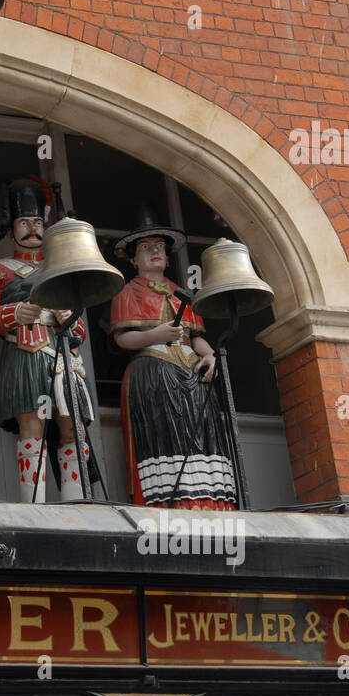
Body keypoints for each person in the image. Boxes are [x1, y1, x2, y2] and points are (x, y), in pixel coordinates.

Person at [108, 207, 236, 510]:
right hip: (155, 372)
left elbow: (195, 336)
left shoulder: (180, 293)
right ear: (133, 258)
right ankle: (172, 499)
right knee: (165, 436)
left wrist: (209, 356)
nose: (154, 252)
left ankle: (207, 499)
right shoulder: (127, 293)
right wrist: (156, 335)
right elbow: (122, 339)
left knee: (200, 433)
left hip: (190, 373)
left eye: (159, 247)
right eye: (145, 248)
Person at [0, 179, 93, 503]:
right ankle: (33, 506)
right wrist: (16, 313)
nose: (32, 229)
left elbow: (80, 333)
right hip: (24, 353)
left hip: (63, 356)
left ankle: (77, 501)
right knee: (33, 429)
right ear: (11, 228)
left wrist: (66, 315)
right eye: (24, 223)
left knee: (72, 429)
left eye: (37, 222)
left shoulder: (61, 268)